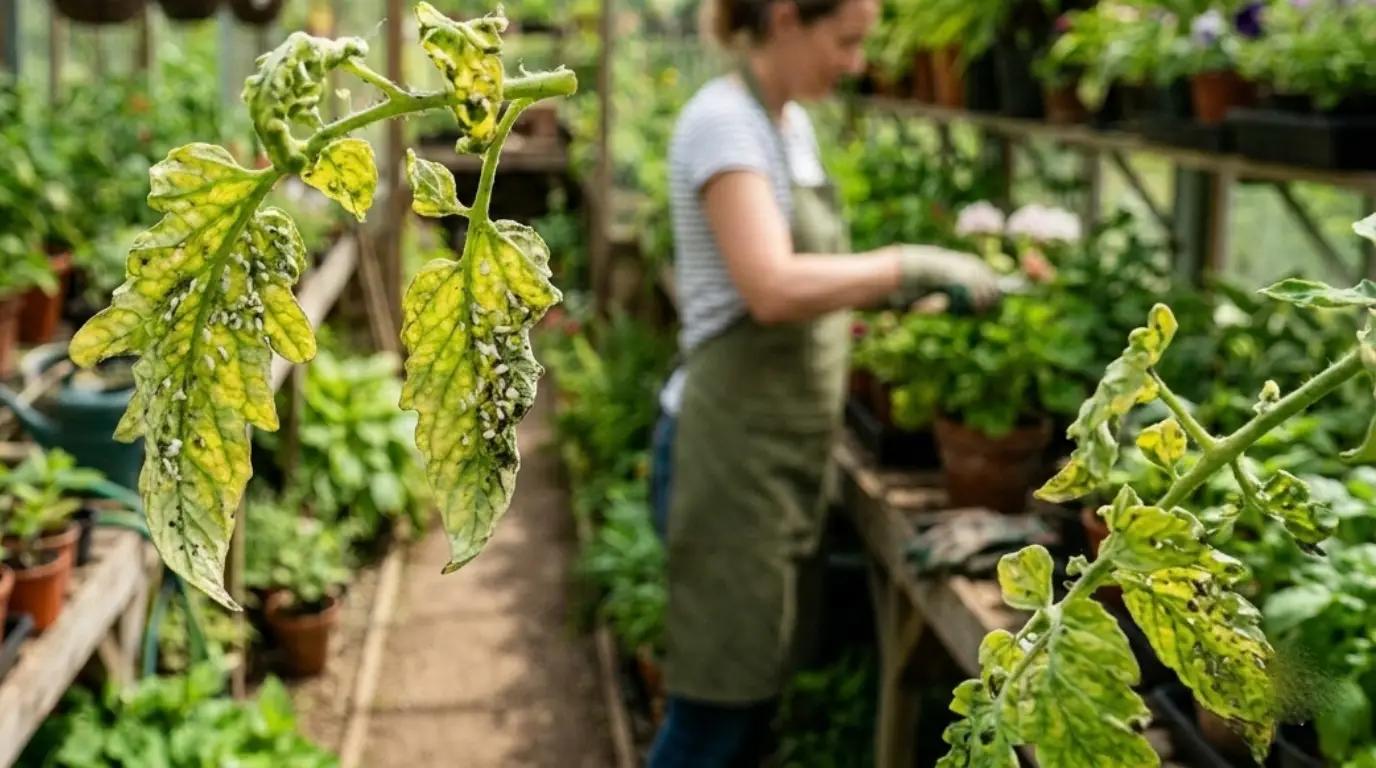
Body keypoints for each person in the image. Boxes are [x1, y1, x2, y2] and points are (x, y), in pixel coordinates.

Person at [644, 0, 1003, 763]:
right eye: (844, 41)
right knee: (711, 717)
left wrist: (882, 319)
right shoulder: (725, 124)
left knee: (751, 699)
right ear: (783, 19)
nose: (855, 64)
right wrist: (905, 267)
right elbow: (770, 286)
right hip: (728, 460)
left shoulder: (788, 123)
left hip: (777, 457)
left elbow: (806, 290)